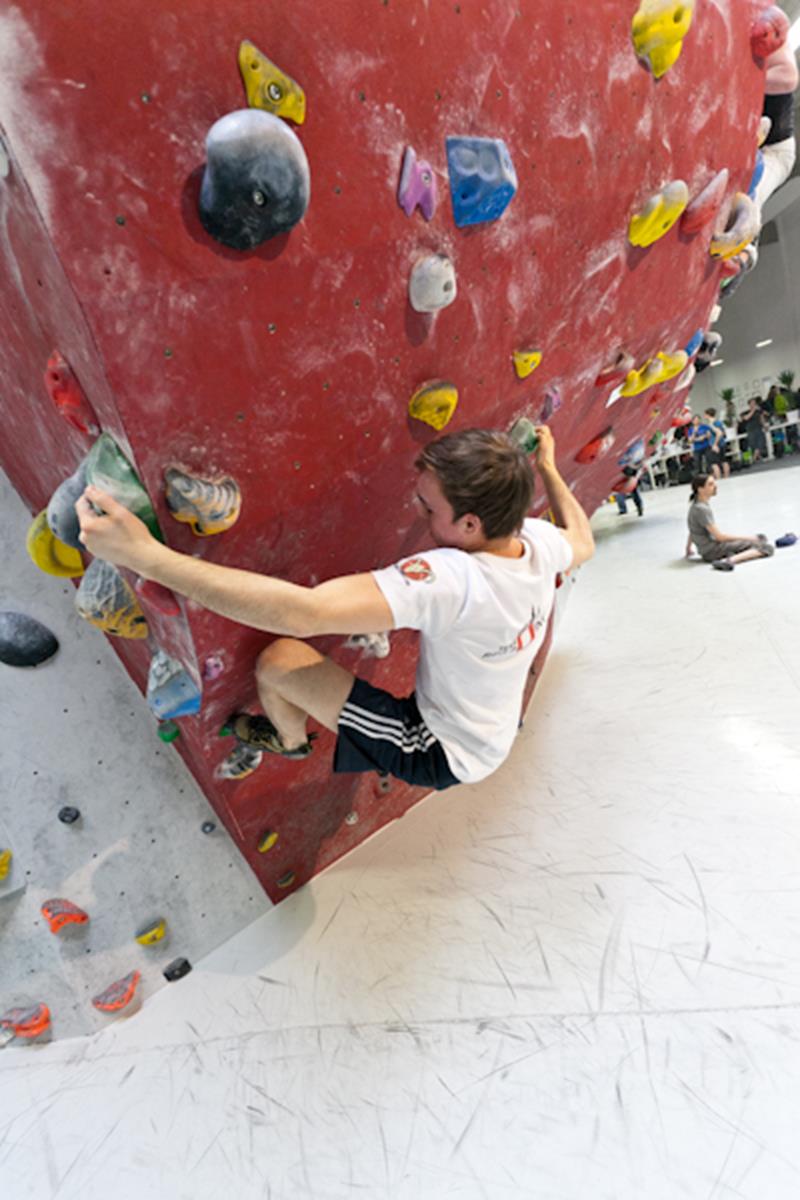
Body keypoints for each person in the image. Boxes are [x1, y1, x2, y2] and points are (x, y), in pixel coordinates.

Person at [75, 426, 595, 790]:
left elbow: (304, 613)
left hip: (441, 749)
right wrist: (547, 467)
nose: (418, 511)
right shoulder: (536, 541)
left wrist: (145, 556)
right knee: (287, 663)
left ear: (469, 527)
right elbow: (583, 540)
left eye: (428, 508)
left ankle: (289, 738)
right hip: (495, 727)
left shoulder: (453, 579)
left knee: (277, 663)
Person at [685, 473, 774, 571]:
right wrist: (750, 538)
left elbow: (693, 529)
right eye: (710, 484)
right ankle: (729, 561)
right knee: (766, 547)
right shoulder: (702, 509)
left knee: (753, 542)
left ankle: (730, 556)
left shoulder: (695, 506)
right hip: (713, 551)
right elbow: (720, 537)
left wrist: (688, 548)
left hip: (707, 551)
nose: (715, 487)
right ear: (700, 489)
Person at [705, 406, 730, 479]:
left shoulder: (712, 423)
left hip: (716, 445)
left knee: (714, 463)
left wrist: (715, 444)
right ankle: (726, 477)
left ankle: (719, 479)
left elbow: (719, 433)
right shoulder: (719, 422)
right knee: (724, 461)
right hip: (722, 443)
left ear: (707, 415)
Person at [742, 396, 768, 461]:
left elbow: (762, 418)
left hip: (758, 428)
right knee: (753, 444)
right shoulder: (746, 412)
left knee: (761, 443)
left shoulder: (758, 411)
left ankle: (755, 457)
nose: (753, 404)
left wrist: (764, 425)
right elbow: (746, 418)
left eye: (754, 403)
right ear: (749, 404)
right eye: (752, 403)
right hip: (750, 429)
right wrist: (753, 410)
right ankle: (755, 457)